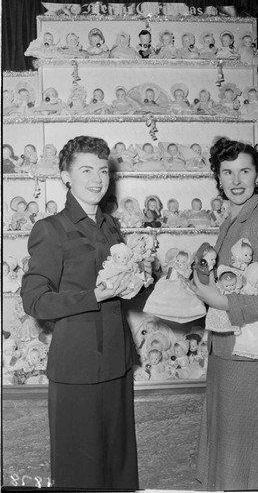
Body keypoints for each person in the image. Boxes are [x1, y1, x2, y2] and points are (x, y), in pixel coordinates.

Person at [20, 136, 140, 489]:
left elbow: (120, 291)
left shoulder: (111, 226)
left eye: (103, 170)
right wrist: (94, 295)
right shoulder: (50, 229)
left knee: (119, 470)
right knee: (79, 474)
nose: (97, 178)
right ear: (65, 176)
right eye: (86, 170)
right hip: (76, 368)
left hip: (117, 362)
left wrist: (137, 284)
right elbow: (35, 300)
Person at [189, 137, 258, 490]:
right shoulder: (231, 222)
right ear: (218, 178)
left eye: (244, 171)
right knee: (230, 458)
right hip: (227, 349)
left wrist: (223, 303)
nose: (236, 180)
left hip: (254, 354)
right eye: (227, 172)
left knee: (247, 464)